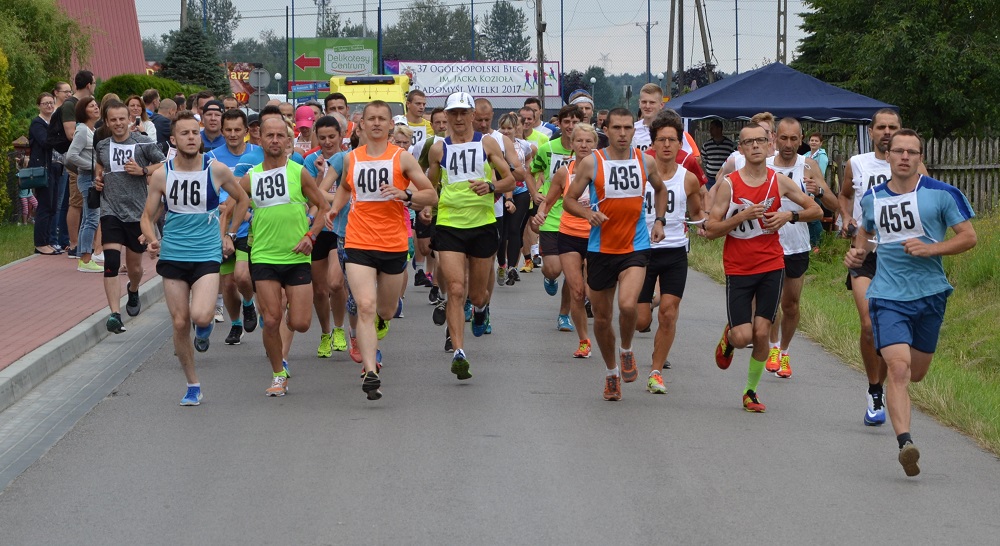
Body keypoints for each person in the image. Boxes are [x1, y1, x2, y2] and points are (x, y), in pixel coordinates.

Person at [844, 128, 976, 476]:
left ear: (920, 158)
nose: (904, 157)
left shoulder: (942, 195)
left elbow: (969, 238)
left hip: (930, 294)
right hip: (887, 294)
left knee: (916, 373)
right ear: (887, 156)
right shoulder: (872, 198)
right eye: (897, 151)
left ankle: (899, 417)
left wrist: (931, 248)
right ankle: (906, 443)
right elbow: (866, 233)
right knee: (899, 369)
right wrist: (858, 255)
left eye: (911, 152)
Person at [705, 123, 822, 412]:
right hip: (738, 267)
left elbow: (816, 209)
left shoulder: (778, 181)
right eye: (749, 142)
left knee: (761, 331)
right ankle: (729, 337)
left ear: (768, 145)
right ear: (741, 149)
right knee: (743, 335)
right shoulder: (730, 184)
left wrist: (789, 216)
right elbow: (711, 228)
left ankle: (750, 391)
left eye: (760, 140)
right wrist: (740, 216)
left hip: (771, 265)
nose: (756, 146)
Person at [328, 100, 438, 399]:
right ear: (361, 124)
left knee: (385, 310)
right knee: (364, 305)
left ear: (391, 125)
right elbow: (346, 187)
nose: (376, 123)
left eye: (382, 119)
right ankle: (370, 369)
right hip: (358, 241)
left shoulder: (401, 159)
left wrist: (405, 194)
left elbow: (431, 194)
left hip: (392, 243)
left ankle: (379, 326)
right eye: (370, 118)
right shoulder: (351, 158)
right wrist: (333, 208)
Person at [139, 110, 249, 406]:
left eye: (194, 133)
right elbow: (147, 217)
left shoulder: (217, 169)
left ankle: (204, 329)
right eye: (184, 133)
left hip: (206, 254)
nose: (191, 137)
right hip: (173, 254)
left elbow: (243, 199)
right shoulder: (162, 174)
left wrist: (231, 234)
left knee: (200, 316)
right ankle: (192, 384)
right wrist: (152, 240)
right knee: (179, 322)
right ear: (173, 139)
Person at [562, 108, 667, 401]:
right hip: (600, 249)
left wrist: (659, 220)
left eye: (627, 128)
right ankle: (611, 374)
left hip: (635, 246)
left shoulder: (645, 161)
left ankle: (627, 350)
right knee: (603, 319)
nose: (622, 134)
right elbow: (569, 200)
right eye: (616, 128)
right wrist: (587, 213)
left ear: (634, 131)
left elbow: (661, 190)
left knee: (629, 304)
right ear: (606, 129)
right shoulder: (591, 163)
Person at [839, 109, 928, 426]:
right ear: (872, 132)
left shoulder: (914, 166)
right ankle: (875, 388)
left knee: (899, 329)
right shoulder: (857, 163)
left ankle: (893, 380)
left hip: (901, 259)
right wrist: (847, 218)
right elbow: (845, 195)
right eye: (881, 127)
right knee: (868, 325)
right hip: (866, 254)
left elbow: (927, 202)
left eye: (893, 127)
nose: (887, 132)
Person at [240, 117, 330, 396]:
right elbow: (233, 203)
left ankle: (292, 313)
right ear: (260, 139)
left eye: (281, 136)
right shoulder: (251, 176)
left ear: (289, 142)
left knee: (301, 323)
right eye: (270, 135)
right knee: (271, 318)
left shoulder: (298, 172)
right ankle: (278, 373)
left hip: (296, 256)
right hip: (265, 256)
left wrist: (310, 236)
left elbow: (322, 205)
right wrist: (231, 225)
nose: (275, 140)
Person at [426, 92, 514, 379]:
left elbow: (512, 177)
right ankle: (459, 352)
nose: (459, 118)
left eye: (464, 113)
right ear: (447, 117)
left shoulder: (486, 143)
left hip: (482, 224)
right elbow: (431, 184)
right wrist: (427, 206)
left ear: (473, 115)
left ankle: (481, 309)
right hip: (450, 224)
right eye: (454, 113)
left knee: (477, 295)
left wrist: (491, 186)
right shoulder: (438, 149)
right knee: (454, 288)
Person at [635, 111, 705, 393]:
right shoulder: (639, 174)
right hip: (641, 251)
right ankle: (645, 312)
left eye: (672, 140)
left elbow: (698, 211)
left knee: (669, 312)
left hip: (674, 250)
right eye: (661, 139)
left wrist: (704, 224)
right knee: (641, 321)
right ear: (653, 143)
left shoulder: (688, 179)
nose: (667, 145)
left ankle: (655, 369)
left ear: (680, 144)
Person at [763, 118, 837, 378]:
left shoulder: (809, 165)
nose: (788, 144)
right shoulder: (765, 164)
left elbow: (832, 203)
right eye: (783, 138)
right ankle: (772, 348)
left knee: (791, 304)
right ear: (775, 138)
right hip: (768, 243)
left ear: (802, 139)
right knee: (771, 302)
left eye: (794, 139)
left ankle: (784, 351)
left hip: (797, 244)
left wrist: (817, 192)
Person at [93, 99, 166, 333]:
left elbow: (164, 163)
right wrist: (98, 179)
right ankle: (114, 314)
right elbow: (99, 166)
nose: (118, 123)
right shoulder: (102, 145)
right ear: (107, 122)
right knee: (112, 262)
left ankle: (133, 289)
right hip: (110, 209)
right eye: (113, 120)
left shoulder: (143, 143)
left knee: (135, 268)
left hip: (137, 212)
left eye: (121, 119)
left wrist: (143, 170)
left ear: (130, 120)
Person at [537, 123, 599, 358]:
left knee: (593, 294)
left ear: (595, 144)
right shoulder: (564, 172)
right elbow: (549, 201)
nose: (584, 145)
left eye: (588, 141)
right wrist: (540, 214)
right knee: (576, 291)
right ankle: (584, 341)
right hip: (569, 235)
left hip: (596, 237)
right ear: (571, 144)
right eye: (579, 141)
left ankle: (600, 330)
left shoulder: (602, 171)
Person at [207, 109, 264, 344]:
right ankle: (236, 323)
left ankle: (249, 304)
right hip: (220, 227)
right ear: (221, 131)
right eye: (228, 130)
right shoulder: (211, 157)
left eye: (237, 130)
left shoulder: (258, 155)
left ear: (246, 132)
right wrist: (219, 207)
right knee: (228, 284)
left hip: (249, 227)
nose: (232, 134)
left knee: (243, 277)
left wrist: (247, 209)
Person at [530, 104, 582, 332]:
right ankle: (550, 278)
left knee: (573, 274)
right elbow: (531, 172)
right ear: (559, 124)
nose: (570, 127)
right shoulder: (547, 148)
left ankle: (564, 315)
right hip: (551, 214)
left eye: (574, 122)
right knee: (553, 269)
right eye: (566, 122)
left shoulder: (588, 151)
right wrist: (535, 194)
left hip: (577, 215)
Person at [304, 115, 349, 357]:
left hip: (340, 227)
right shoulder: (311, 160)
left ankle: (340, 328)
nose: (328, 142)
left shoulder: (350, 159)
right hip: (318, 227)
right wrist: (322, 179)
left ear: (341, 136)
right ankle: (325, 332)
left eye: (332, 137)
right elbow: (312, 195)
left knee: (335, 282)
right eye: (322, 138)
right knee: (319, 290)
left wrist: (338, 202)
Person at [495, 111, 535, 283]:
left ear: (515, 128)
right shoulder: (494, 145)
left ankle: (512, 267)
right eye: (502, 128)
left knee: (514, 229)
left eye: (509, 128)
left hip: (520, 192)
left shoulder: (525, 145)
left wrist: (533, 189)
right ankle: (502, 265)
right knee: (501, 233)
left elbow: (527, 167)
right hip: (500, 192)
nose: (506, 132)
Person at [65, 96, 104, 272]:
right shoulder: (81, 130)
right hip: (87, 178)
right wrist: (90, 167)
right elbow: (71, 155)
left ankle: (83, 257)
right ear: (83, 111)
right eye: (91, 106)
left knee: (88, 218)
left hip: (91, 177)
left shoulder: (91, 129)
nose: (96, 108)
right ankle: (86, 260)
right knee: (92, 219)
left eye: (96, 105)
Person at [29, 93, 61, 255]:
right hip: (44, 169)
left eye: (51, 103)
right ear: (39, 105)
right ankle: (40, 243)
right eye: (45, 103)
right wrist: (58, 136)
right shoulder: (37, 124)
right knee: (44, 206)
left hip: (55, 167)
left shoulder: (52, 123)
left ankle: (48, 240)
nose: (49, 106)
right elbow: (45, 142)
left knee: (53, 206)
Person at [804, 132, 830, 250]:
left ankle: (819, 243)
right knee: (807, 218)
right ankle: (811, 242)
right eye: (812, 140)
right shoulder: (807, 155)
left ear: (821, 143)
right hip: (805, 189)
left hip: (815, 191)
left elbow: (820, 176)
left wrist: (813, 193)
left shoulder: (822, 157)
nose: (813, 142)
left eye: (816, 141)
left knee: (814, 218)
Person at [701, 119, 736, 189]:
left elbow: (733, 160)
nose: (710, 131)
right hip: (710, 180)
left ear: (719, 129)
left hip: (724, 180)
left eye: (712, 128)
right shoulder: (706, 145)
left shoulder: (730, 145)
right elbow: (704, 160)